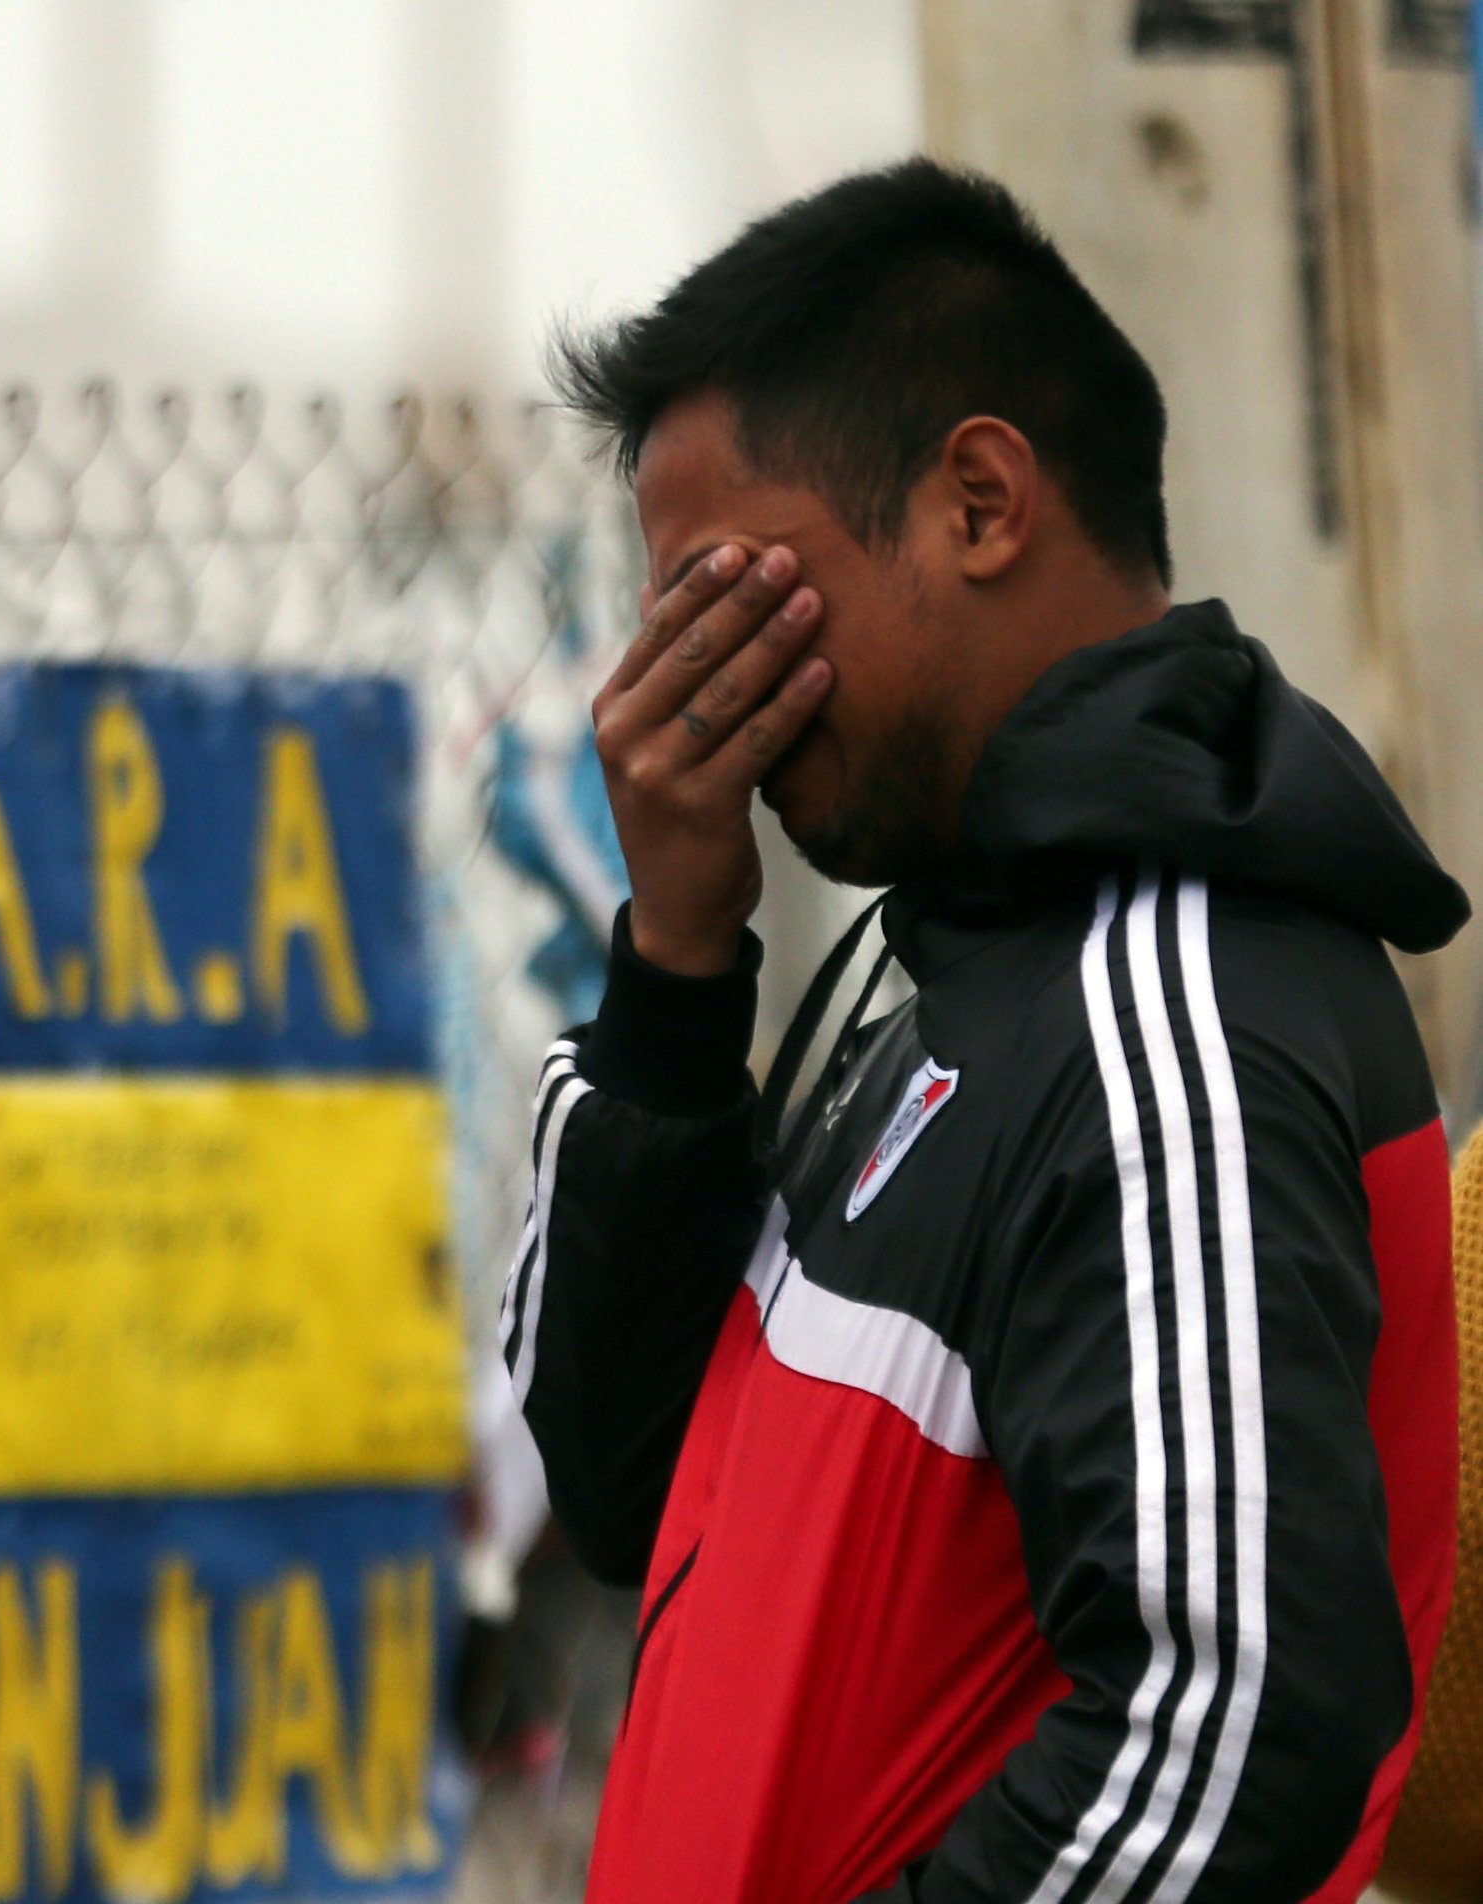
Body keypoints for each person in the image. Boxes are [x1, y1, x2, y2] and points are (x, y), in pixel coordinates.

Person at [503, 159, 1464, 1902]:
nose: (701, 692)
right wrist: (673, 958)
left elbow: (1233, 1724)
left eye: (734, 600)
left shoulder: (1166, 1014)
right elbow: (627, 1487)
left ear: (979, 502)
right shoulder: (948, 968)